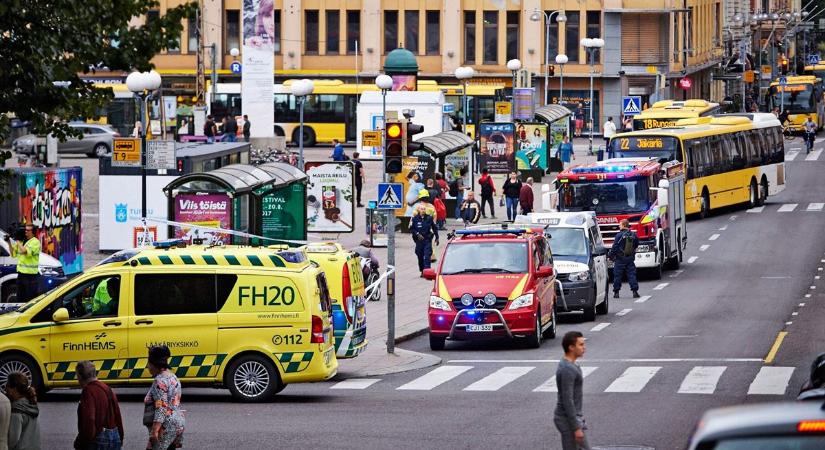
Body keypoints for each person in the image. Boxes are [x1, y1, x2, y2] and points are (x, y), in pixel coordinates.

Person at [74, 361, 124, 450]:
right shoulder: (107, 388)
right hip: (114, 436)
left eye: (77, 375)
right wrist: (120, 437)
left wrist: (82, 442)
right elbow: (117, 415)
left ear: (80, 376)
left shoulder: (88, 391)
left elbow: (90, 419)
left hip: (99, 439)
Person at [144, 346, 184, 450]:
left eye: (148, 363)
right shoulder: (173, 377)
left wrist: (154, 431)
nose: (147, 366)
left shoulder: (159, 381)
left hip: (164, 426)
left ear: (154, 364)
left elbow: (161, 408)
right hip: (177, 422)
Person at [554, 331, 590, 450]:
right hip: (568, 420)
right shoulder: (567, 369)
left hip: (571, 418)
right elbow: (567, 400)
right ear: (571, 347)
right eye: (580, 345)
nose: (584, 347)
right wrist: (576, 427)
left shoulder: (569, 365)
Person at [5, 225, 40, 304]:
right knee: (20, 298)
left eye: (28, 230)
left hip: (30, 277)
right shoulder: (21, 242)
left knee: (30, 300)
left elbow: (25, 251)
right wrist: (9, 242)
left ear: (33, 232)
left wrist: (17, 240)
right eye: (25, 230)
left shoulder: (35, 242)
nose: (25, 231)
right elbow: (13, 254)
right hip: (21, 275)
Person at [5, 372, 40, 450]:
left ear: (13, 389)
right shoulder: (30, 404)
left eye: (7, 386)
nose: (5, 390)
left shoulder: (17, 410)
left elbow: (12, 440)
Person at [609, 219, 639, 298]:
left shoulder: (619, 235)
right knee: (632, 274)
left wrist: (611, 256)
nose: (619, 226)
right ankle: (634, 291)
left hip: (620, 259)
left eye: (620, 224)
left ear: (623, 225)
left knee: (617, 275)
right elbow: (636, 244)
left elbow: (614, 247)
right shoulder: (633, 234)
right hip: (630, 258)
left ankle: (616, 293)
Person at [410, 203, 439, 275]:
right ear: (418, 210)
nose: (423, 210)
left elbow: (434, 228)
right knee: (419, 255)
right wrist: (417, 234)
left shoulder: (429, 218)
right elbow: (412, 229)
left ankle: (427, 272)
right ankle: (422, 270)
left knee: (427, 255)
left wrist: (437, 237)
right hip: (419, 241)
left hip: (427, 239)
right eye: (421, 209)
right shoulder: (415, 219)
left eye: (424, 209)